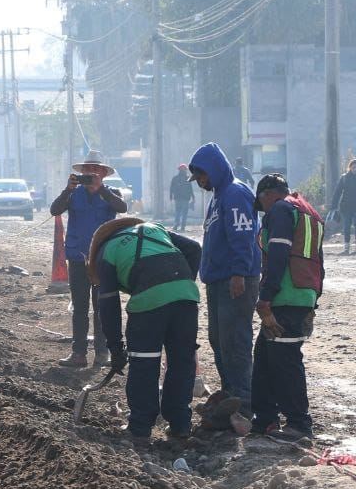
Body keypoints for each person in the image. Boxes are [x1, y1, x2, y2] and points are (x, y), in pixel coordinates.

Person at [89, 217, 202, 445]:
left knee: (144, 362)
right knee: (182, 361)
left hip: (149, 304)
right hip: (186, 297)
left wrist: (115, 347)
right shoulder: (154, 228)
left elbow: (109, 305)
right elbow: (194, 248)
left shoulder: (106, 253)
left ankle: (140, 428)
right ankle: (180, 424)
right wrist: (182, 282)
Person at [188, 142, 262, 436]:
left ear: (214, 170)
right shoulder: (218, 198)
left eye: (203, 176)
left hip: (235, 279)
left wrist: (239, 273)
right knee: (219, 339)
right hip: (219, 279)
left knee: (236, 341)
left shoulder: (235, 194)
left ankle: (244, 401)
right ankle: (230, 393)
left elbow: (242, 236)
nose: (201, 182)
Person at [251, 174, 324, 440]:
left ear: (268, 194)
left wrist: (266, 296)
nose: (263, 211)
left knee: (285, 361)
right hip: (302, 295)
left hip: (285, 295)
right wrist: (314, 298)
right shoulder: (310, 213)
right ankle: (265, 419)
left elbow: (279, 253)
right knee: (265, 357)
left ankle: (299, 424)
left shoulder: (281, 209)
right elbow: (319, 259)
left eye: (262, 204)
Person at [49, 150, 127, 368]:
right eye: (87, 170)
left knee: (102, 307)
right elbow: (55, 210)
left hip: (102, 258)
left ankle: (102, 354)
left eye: (95, 170)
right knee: (80, 308)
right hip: (77, 257)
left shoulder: (111, 193)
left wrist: (100, 189)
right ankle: (79, 353)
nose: (90, 173)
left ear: (103, 173)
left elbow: (122, 208)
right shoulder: (73, 194)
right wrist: (68, 189)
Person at [329, 159, 356, 254]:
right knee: (346, 227)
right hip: (346, 208)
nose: (355, 169)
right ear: (350, 168)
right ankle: (346, 249)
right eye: (353, 167)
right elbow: (337, 192)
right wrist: (333, 206)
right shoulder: (344, 178)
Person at [170, 164, 195, 231]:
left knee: (178, 212)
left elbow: (171, 188)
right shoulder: (187, 178)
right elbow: (190, 189)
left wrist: (171, 196)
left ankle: (176, 225)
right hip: (185, 198)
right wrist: (193, 197)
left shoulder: (175, 178)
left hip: (178, 198)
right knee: (184, 213)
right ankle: (182, 226)